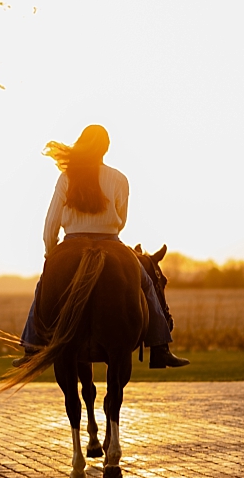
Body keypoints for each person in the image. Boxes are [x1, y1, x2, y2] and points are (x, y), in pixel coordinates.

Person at [14, 124, 189, 369]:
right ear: (106, 148)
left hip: (72, 240)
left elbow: (51, 222)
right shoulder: (119, 178)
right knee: (147, 284)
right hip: (111, 241)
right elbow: (122, 219)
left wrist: (51, 254)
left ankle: (31, 346)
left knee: (44, 284)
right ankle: (160, 347)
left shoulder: (66, 177)